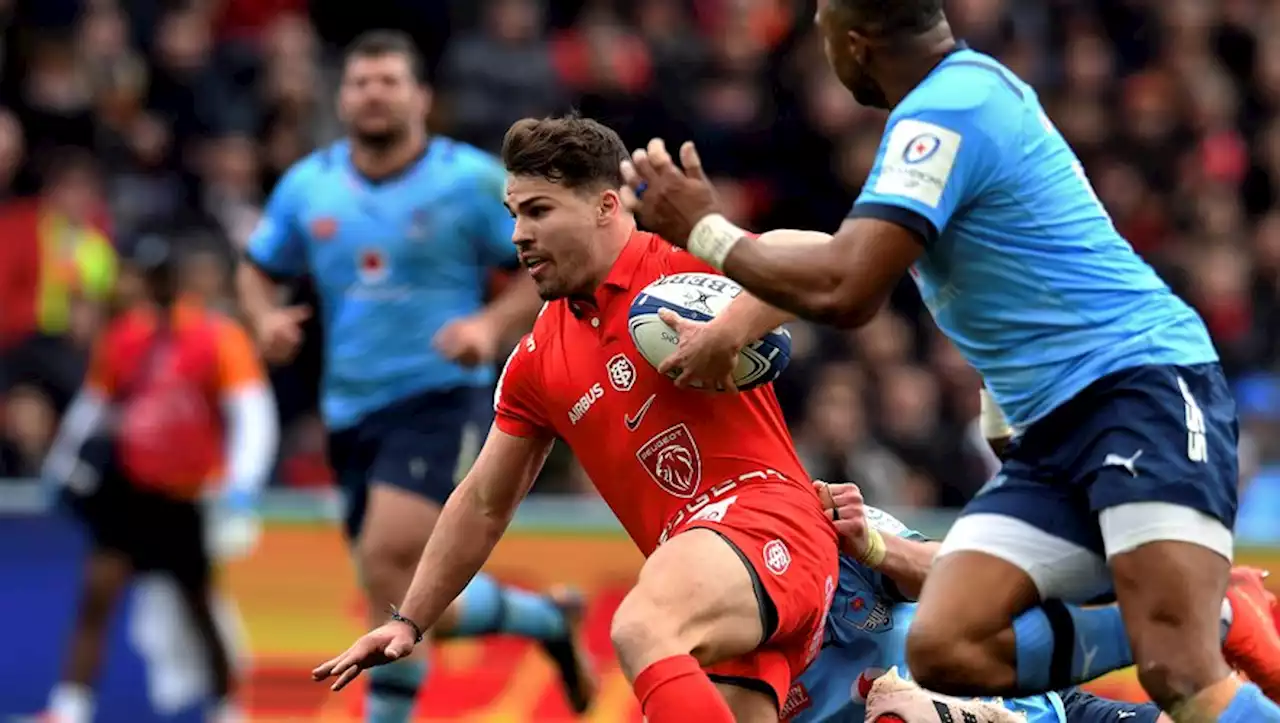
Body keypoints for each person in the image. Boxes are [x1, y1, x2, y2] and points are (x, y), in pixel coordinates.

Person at [616, 0, 1280, 719]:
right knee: (947, 645)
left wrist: (706, 231)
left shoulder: (950, 110)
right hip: (1053, 437)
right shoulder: (947, 111)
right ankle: (1207, 614)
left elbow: (847, 287)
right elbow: (890, 268)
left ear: (854, 41)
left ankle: (1199, 621)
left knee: (1179, 669)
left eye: (821, 36)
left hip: (1135, 387)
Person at [312, 114, 841, 723]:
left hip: (768, 523)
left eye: (538, 211)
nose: (517, 235)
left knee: (643, 624)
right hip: (715, 588)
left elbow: (829, 259)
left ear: (605, 206)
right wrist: (409, 620)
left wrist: (733, 327)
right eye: (513, 214)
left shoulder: (678, 265)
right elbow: (483, 501)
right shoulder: (537, 360)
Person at [236, 31, 594, 720]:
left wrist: (489, 327)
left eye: (389, 81)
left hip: (439, 394)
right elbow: (256, 266)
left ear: (422, 98)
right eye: (361, 82)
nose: (373, 93)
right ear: (342, 98)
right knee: (402, 590)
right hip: (348, 409)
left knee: (388, 555)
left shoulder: (471, 181)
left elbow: (543, 258)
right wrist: (261, 318)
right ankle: (544, 619)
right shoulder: (308, 185)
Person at [796, 479, 1280, 723]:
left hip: (1032, 701)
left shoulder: (813, 518)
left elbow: (945, 572)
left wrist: (875, 547)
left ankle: (1211, 617)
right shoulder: (729, 656)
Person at [40, 234, 278, 723]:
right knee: (98, 594)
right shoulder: (126, 336)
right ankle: (70, 706)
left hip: (182, 494)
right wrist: (61, 464)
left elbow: (251, 412)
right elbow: (95, 407)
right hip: (129, 490)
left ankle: (226, 707)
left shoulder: (215, 336)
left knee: (199, 606)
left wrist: (242, 483)